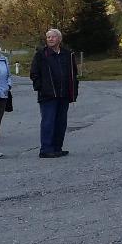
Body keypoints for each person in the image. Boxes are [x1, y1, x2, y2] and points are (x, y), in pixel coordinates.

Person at [30, 27, 79, 157]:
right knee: (48, 121)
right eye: (48, 37)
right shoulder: (41, 54)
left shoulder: (68, 54)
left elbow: (74, 74)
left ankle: (57, 148)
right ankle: (46, 149)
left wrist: (73, 92)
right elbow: (34, 73)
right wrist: (41, 87)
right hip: (48, 95)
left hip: (64, 94)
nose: (50, 39)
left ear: (59, 39)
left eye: (53, 37)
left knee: (61, 122)